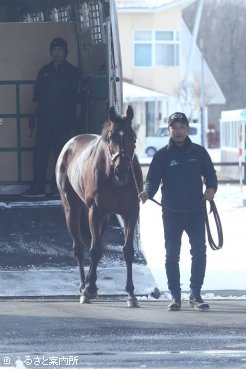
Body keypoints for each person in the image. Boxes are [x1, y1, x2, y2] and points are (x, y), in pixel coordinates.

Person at [138, 112, 217, 311]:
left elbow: (210, 174)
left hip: (196, 211)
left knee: (199, 251)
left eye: (182, 127)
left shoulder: (199, 152)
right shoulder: (161, 155)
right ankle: (175, 296)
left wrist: (211, 189)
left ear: (187, 130)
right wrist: (147, 192)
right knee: (172, 255)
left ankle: (195, 294)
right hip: (172, 213)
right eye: (175, 128)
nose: (179, 131)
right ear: (169, 130)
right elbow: (153, 179)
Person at [23, 37, 83, 197]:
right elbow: (37, 97)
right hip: (44, 122)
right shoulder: (44, 71)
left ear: (65, 52)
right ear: (51, 52)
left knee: (61, 157)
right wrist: (32, 115)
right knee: (39, 156)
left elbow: (78, 99)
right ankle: (37, 188)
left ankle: (59, 188)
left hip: (63, 123)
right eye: (54, 50)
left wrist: (76, 121)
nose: (57, 53)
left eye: (60, 50)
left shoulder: (74, 73)